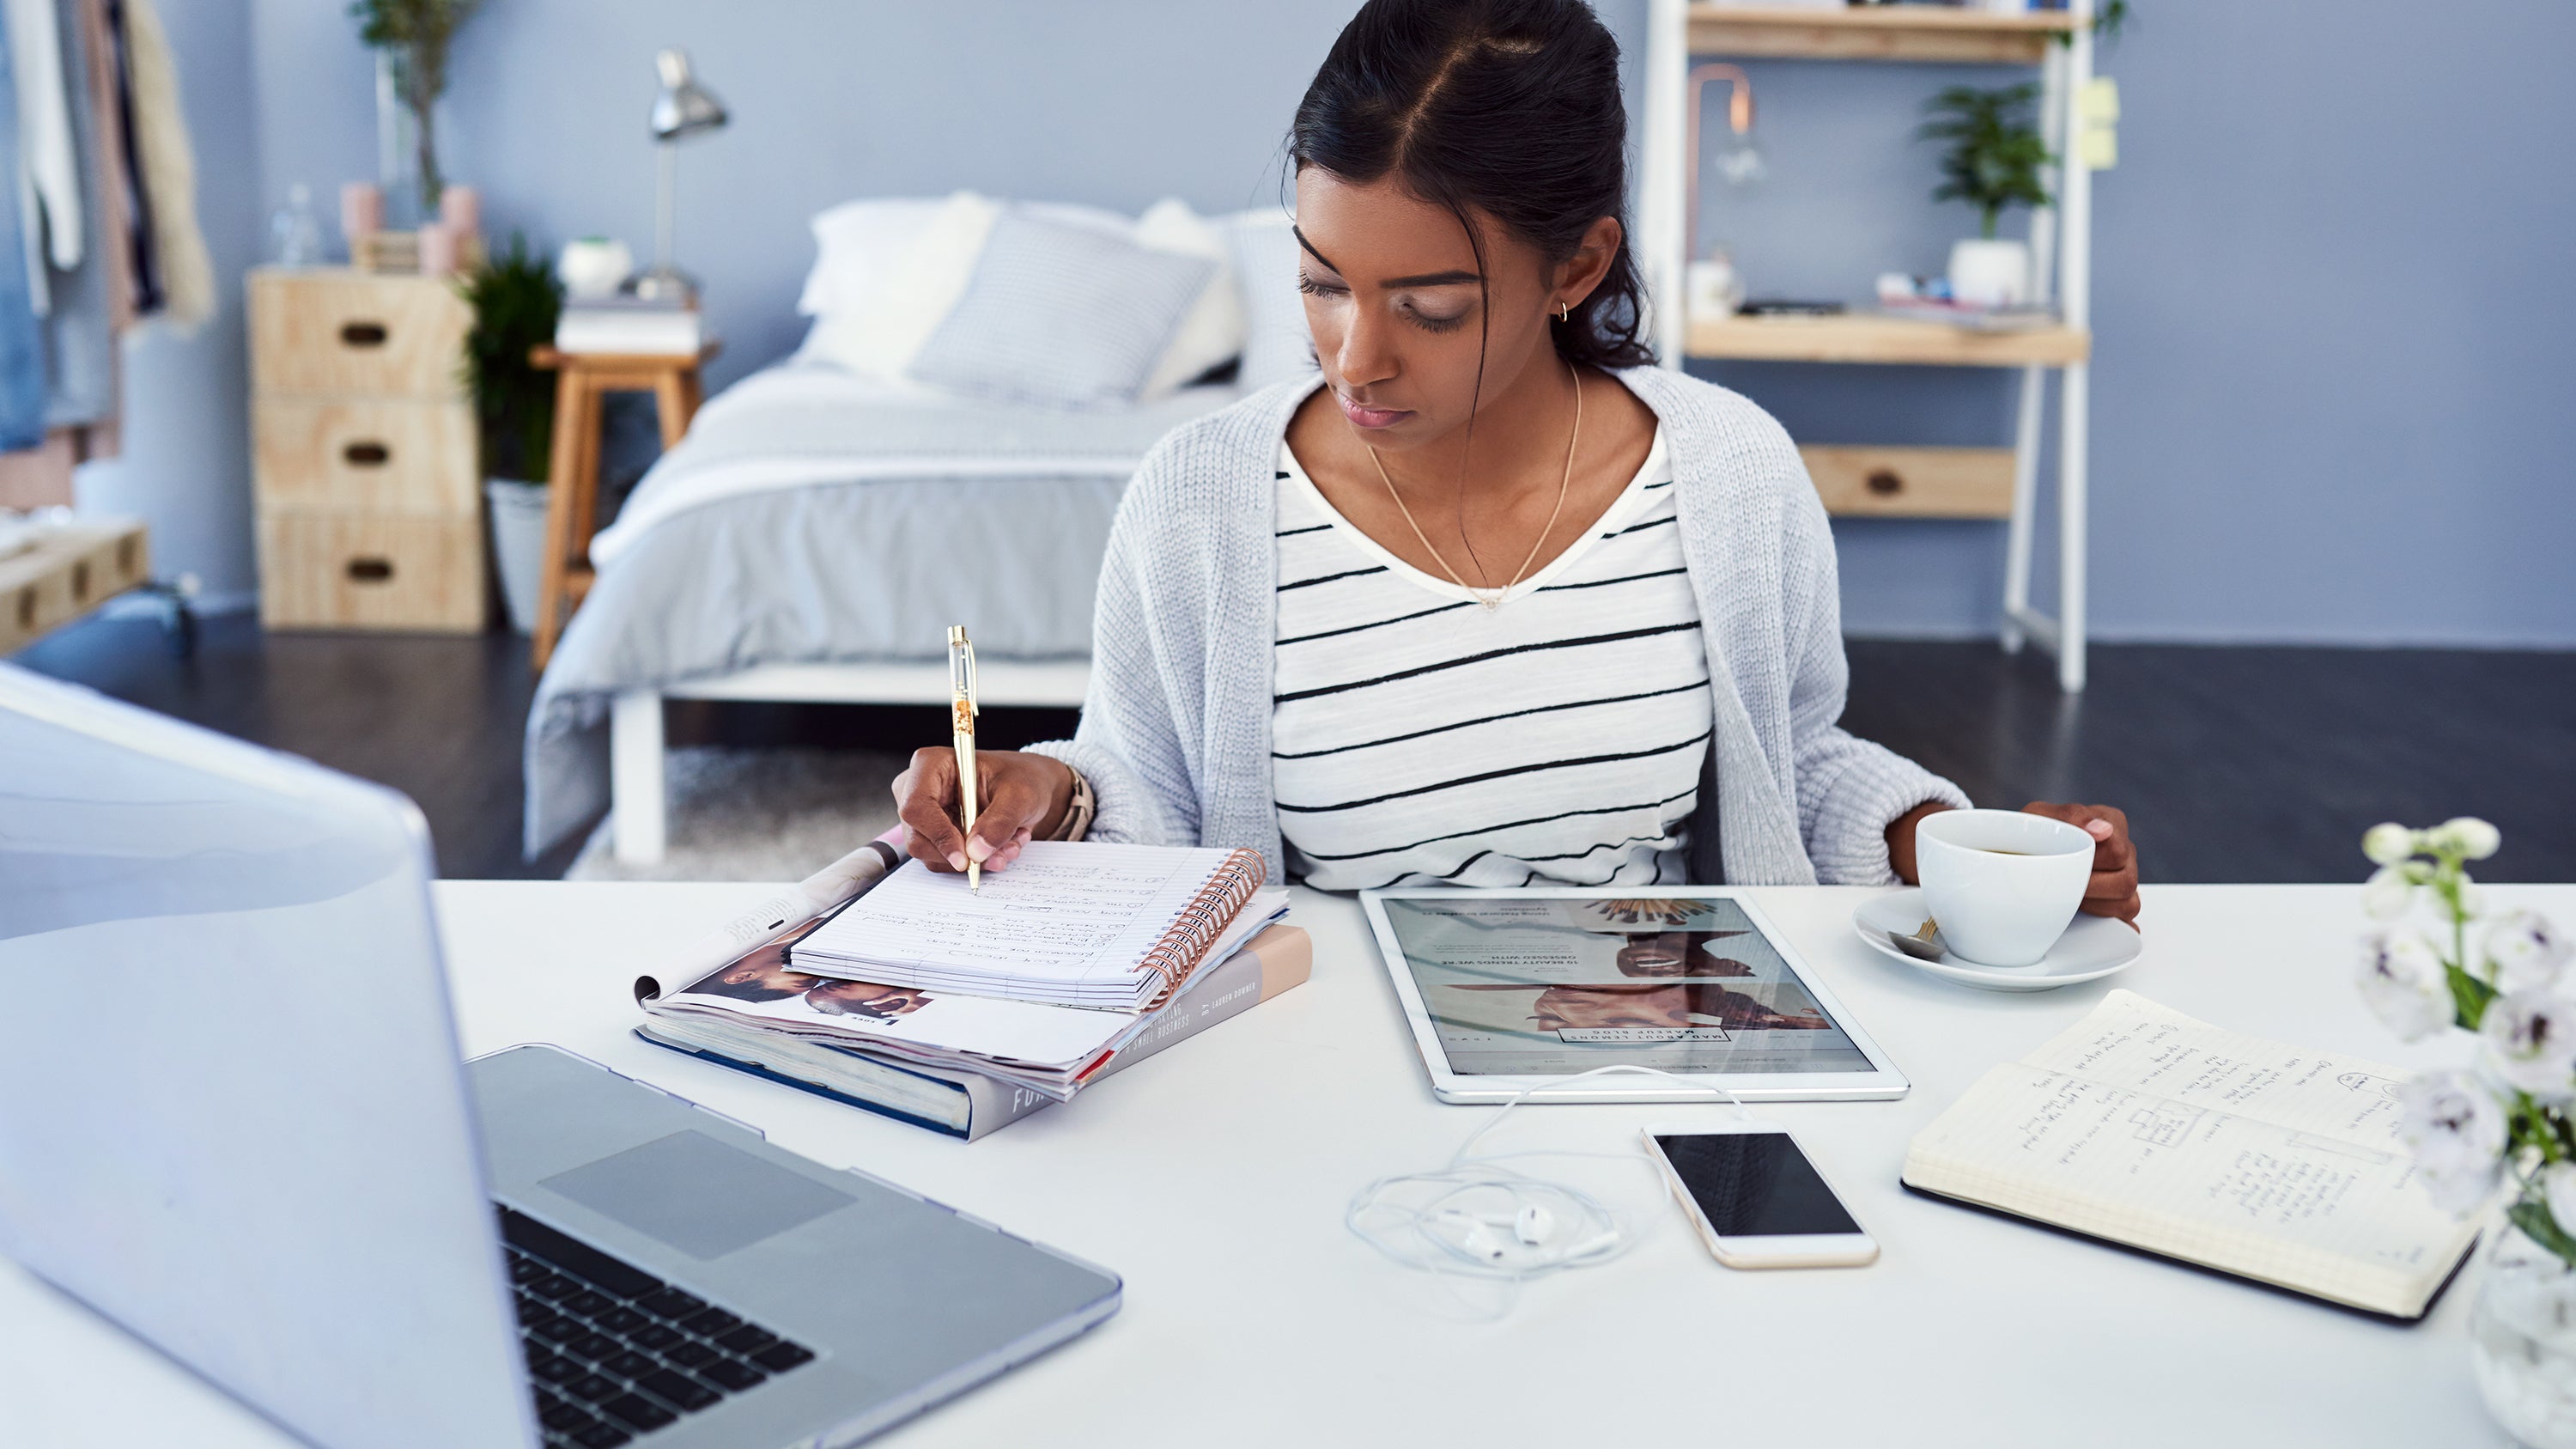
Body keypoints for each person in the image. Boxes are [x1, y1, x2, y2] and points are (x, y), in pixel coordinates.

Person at [893, 0, 2139, 919]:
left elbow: (1793, 761)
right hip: (1319, 1076)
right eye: (1323, 285)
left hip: (1666, 1057)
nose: (1356, 357)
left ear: (1579, 267)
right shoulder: (1204, 497)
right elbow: (1147, 784)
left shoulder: (1731, 471)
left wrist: (1957, 844)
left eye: (1429, 307)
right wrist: (1047, 793)